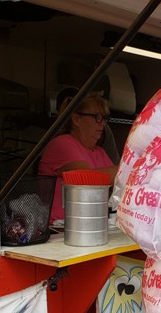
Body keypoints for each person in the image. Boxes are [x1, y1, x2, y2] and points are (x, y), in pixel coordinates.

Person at [38, 92, 118, 223]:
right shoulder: (62, 143)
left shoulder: (100, 152)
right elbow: (86, 180)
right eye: (97, 117)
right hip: (58, 229)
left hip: (90, 225)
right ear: (76, 119)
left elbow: (118, 185)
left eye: (104, 118)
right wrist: (131, 169)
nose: (102, 123)